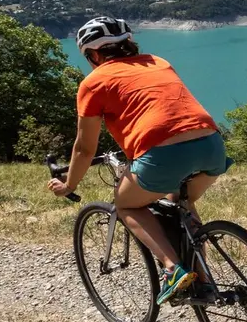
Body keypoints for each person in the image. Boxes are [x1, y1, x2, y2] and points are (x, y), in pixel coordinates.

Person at [48, 16, 231, 305]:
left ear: (93, 55)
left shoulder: (93, 83)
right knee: (182, 202)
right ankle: (205, 282)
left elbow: (84, 149)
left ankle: (172, 269)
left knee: (126, 204)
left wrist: (69, 185)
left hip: (162, 153)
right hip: (211, 144)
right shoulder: (158, 62)